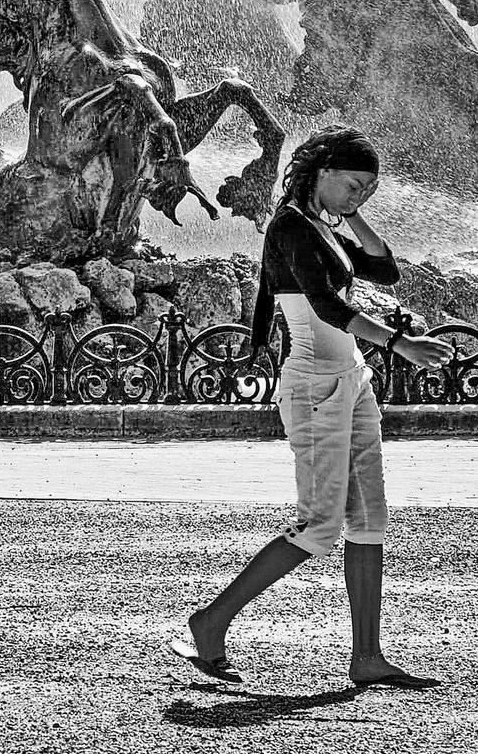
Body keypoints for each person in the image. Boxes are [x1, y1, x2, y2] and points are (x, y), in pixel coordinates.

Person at [172, 124, 456, 689]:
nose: (360, 198)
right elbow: (326, 306)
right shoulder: (290, 227)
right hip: (313, 386)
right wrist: (402, 344)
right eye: (353, 185)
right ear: (321, 173)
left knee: (369, 520)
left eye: (369, 191)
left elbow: (384, 268)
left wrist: (349, 211)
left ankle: (367, 656)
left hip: (350, 380)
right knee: (321, 526)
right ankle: (210, 622)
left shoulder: (323, 227)